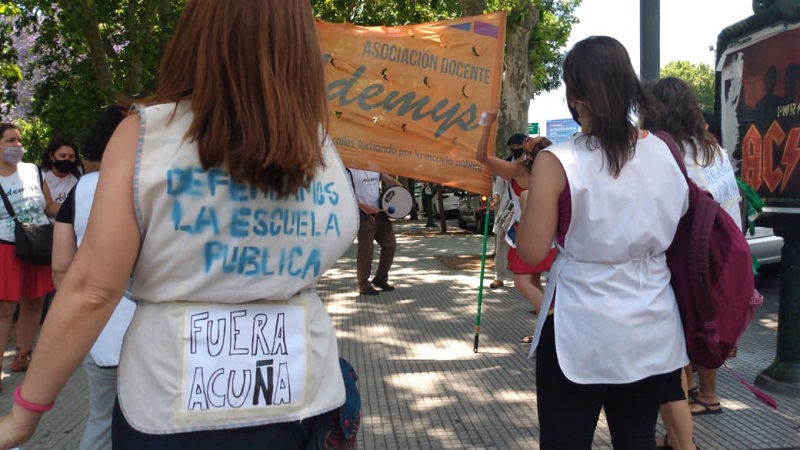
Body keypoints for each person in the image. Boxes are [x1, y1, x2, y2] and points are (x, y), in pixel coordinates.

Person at [0, 1, 359, 449]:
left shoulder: (146, 134)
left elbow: (93, 288)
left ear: (196, 35)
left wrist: (25, 412)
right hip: (303, 401)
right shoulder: (320, 144)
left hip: (171, 408)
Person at [516, 36, 690, 448]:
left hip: (582, 324)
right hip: (651, 319)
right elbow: (680, 216)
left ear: (574, 95)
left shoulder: (557, 160)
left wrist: (528, 206)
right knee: (637, 438)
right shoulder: (664, 150)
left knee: (565, 440)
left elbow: (532, 252)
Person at [643, 77, 743, 448]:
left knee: (670, 360)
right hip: (723, 260)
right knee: (688, 349)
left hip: (688, 266)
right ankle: (682, 431)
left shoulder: (665, 153)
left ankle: (680, 439)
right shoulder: (711, 149)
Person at [51, 106, 134, 450]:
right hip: (154, 329)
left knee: (101, 420)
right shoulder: (154, 183)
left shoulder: (80, 190)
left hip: (100, 329)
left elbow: (60, 265)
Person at [475, 114, 556, 331]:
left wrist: (487, 125)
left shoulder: (520, 171)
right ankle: (543, 334)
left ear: (531, 153)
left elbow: (481, 156)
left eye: (530, 141)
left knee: (521, 282)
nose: (526, 140)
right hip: (546, 236)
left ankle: (553, 329)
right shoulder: (551, 171)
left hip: (529, 236)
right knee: (535, 283)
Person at [0, 123, 55, 383]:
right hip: (7, 245)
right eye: (10, 140)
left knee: (34, 302)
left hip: (38, 242)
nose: (17, 146)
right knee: (5, 307)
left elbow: (50, 205)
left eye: (19, 141)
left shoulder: (33, 170)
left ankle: (22, 355)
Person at [347, 168, 403, 295]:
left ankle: (380, 279)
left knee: (390, 245)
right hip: (364, 215)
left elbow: (388, 179)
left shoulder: (374, 167)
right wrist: (364, 207)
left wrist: (402, 191)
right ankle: (364, 285)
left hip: (380, 213)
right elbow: (346, 195)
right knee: (366, 249)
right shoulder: (349, 171)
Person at [488, 133, 526, 289]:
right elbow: (499, 185)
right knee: (502, 240)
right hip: (507, 208)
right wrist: (496, 197)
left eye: (518, 146)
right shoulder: (507, 164)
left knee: (524, 243)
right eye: (513, 147)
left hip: (525, 208)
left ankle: (525, 277)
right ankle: (499, 276)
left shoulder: (530, 164)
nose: (515, 149)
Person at [40, 136, 81, 220]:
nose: (67, 159)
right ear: (51, 156)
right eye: (62, 156)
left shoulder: (77, 177)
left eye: (71, 156)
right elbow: (49, 209)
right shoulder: (41, 177)